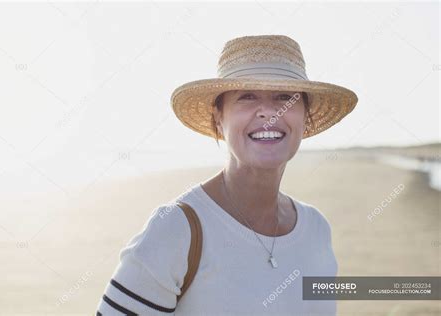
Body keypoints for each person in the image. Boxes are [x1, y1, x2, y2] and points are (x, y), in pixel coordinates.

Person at [96, 34, 358, 315]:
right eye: (247, 96)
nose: (269, 112)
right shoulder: (175, 230)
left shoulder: (317, 229)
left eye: (285, 97)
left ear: (305, 117)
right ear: (218, 118)